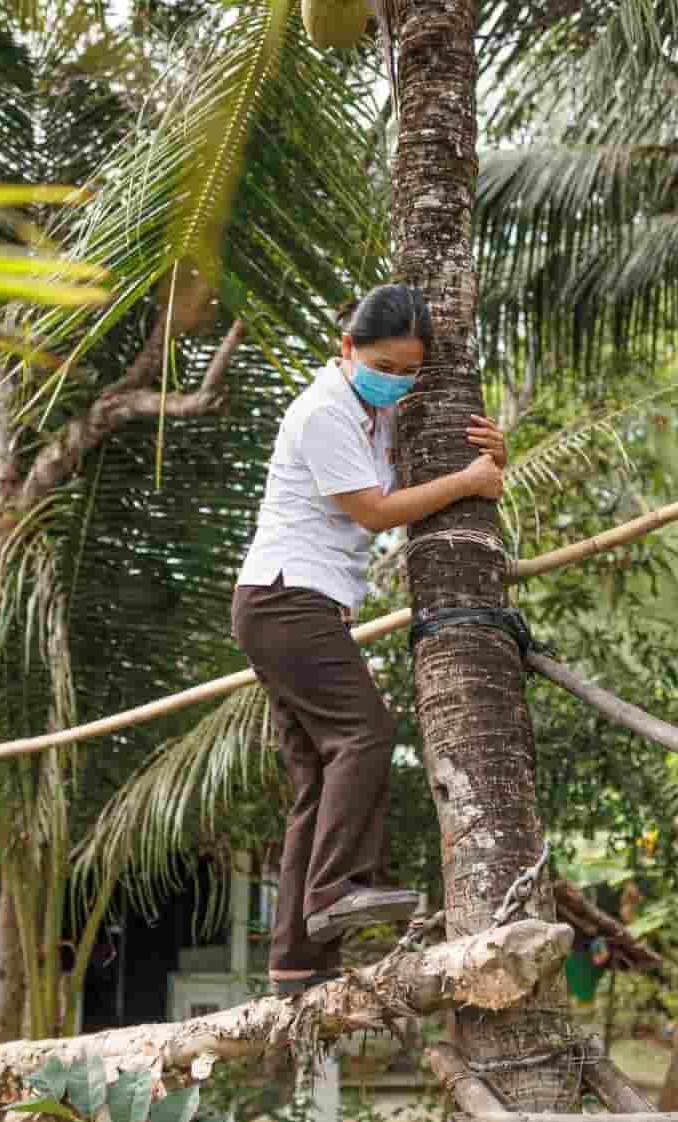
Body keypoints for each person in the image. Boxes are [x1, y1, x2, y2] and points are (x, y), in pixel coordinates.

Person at [233, 283, 508, 996]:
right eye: (384, 363)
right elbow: (377, 512)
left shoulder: (373, 411)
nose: (398, 380)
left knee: (317, 778)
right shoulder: (324, 410)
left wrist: (490, 454)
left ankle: (296, 961)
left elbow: (401, 474)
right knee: (366, 734)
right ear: (347, 347)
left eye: (410, 371)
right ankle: (335, 892)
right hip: (286, 598)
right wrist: (469, 482)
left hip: (298, 603)